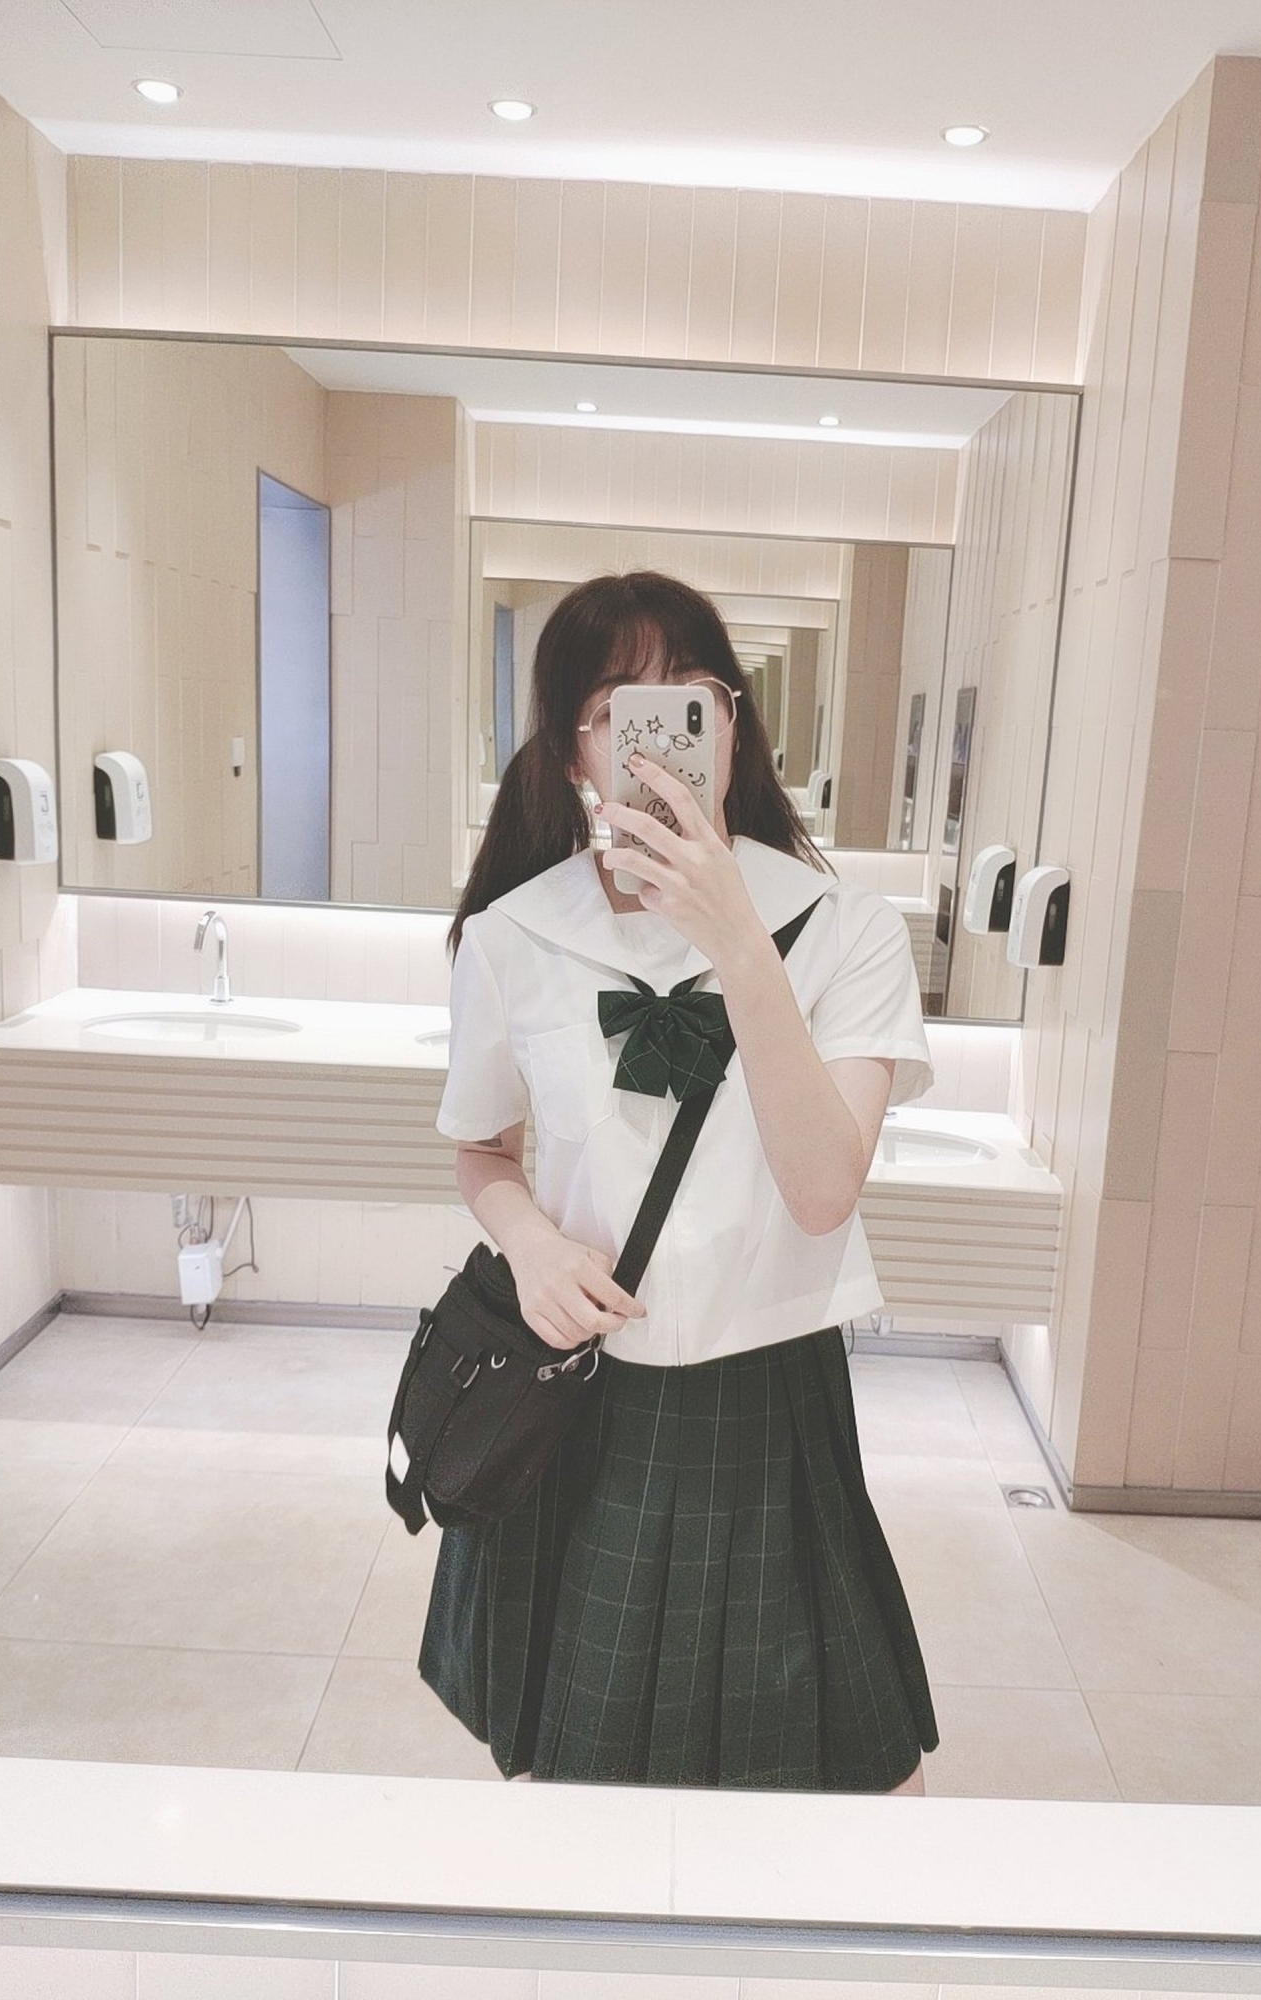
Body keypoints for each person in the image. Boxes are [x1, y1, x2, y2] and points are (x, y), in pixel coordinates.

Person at [419, 570, 940, 1794]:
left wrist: (737, 939)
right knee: (587, 1784)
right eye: (619, 708)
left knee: (837, 1779)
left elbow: (823, 1189)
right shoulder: (513, 936)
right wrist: (533, 1246)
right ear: (572, 753)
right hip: (585, 1398)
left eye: (690, 700)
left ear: (732, 727)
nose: (656, 737)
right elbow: (483, 1151)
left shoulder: (848, 930)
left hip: (773, 1400)